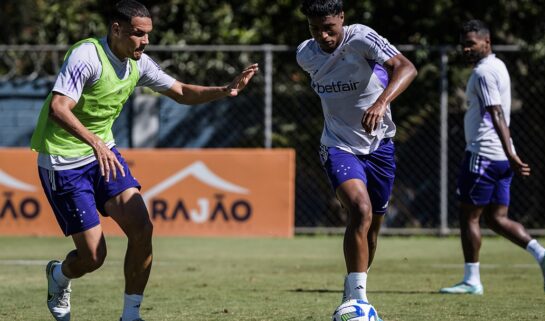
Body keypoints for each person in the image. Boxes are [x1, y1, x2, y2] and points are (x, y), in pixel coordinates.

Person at [30, 1, 258, 320]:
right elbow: (59, 108)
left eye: (148, 34)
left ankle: (131, 315)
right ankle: (59, 276)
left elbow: (180, 91)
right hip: (62, 161)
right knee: (93, 257)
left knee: (142, 227)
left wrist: (224, 89)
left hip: (103, 156)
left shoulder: (139, 63)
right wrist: (94, 141)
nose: (145, 41)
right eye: (138, 34)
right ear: (117, 29)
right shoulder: (87, 56)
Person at [296, 0, 417, 316]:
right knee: (359, 209)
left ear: (342, 19)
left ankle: (352, 289)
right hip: (338, 146)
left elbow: (406, 67)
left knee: (372, 228)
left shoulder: (361, 37)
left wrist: (380, 102)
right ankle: (360, 301)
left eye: (329, 28)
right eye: (315, 29)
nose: (323, 36)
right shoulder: (305, 55)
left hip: (380, 147)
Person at [440, 20, 545, 295]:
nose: (466, 49)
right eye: (463, 44)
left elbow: (496, 113)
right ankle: (543, 255)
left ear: (487, 42)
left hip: (483, 154)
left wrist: (512, 154)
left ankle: (472, 281)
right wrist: (510, 155)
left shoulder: (483, 73)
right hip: (501, 158)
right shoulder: (499, 66)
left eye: (471, 43)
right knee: (496, 219)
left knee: (468, 216)